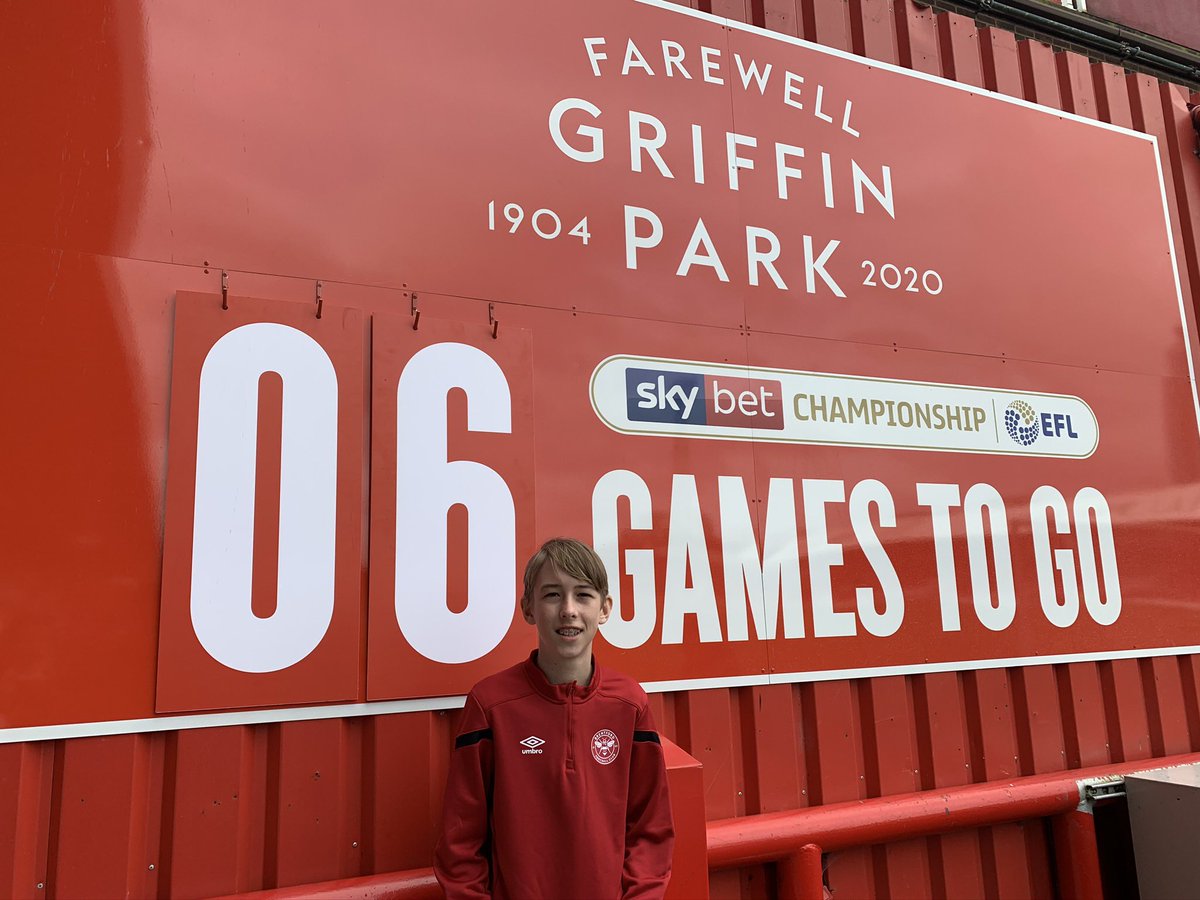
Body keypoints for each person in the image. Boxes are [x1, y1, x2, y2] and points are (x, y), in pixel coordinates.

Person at [435, 537, 675, 899]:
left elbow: (650, 830)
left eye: (583, 595)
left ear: (605, 608)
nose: (568, 610)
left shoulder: (630, 704)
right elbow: (461, 840)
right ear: (528, 608)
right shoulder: (491, 706)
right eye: (551, 595)